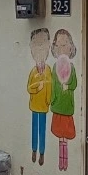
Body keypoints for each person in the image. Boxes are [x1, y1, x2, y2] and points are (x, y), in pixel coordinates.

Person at [50, 29, 77, 171]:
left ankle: (65, 163)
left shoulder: (71, 67)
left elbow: (74, 84)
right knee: (60, 136)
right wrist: (52, 100)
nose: (62, 49)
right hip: (58, 107)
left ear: (71, 47)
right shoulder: (55, 67)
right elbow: (53, 85)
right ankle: (61, 163)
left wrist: (68, 85)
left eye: (65, 45)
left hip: (67, 107)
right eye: (58, 46)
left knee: (65, 136)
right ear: (54, 48)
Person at [27, 29, 52, 165]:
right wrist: (38, 87)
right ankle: (33, 150)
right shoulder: (33, 71)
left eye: (43, 45)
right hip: (34, 105)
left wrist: (48, 101)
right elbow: (29, 88)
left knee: (42, 130)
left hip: (43, 106)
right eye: (36, 45)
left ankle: (42, 153)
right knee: (34, 129)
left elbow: (50, 86)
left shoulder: (48, 70)